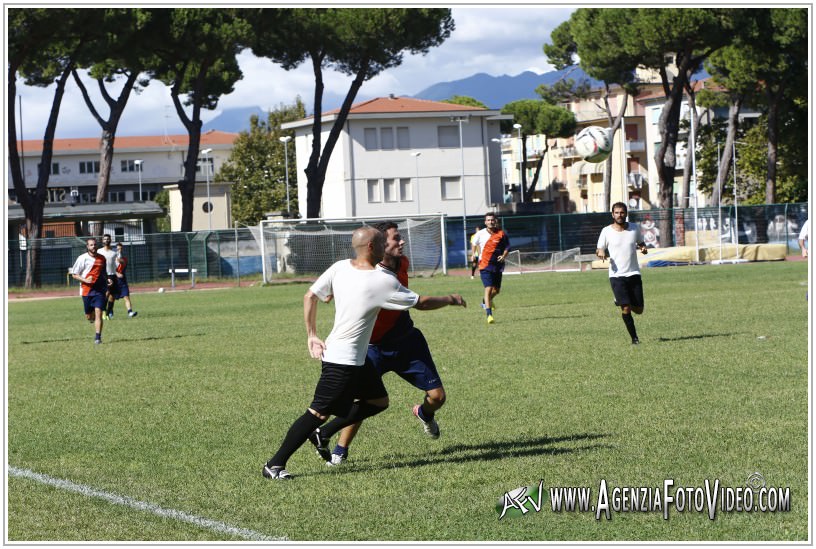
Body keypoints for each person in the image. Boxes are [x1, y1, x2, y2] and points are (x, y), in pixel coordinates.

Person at [262, 226, 466, 480]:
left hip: (357, 358)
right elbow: (421, 303)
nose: (385, 246)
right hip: (342, 361)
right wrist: (450, 298)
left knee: (379, 401)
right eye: (382, 242)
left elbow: (310, 296)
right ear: (371, 247)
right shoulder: (382, 280)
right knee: (317, 413)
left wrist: (311, 334)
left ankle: (322, 435)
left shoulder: (340, 267)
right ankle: (275, 464)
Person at [596, 202, 648, 345]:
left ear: (626, 214)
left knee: (639, 310)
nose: (620, 215)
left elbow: (641, 243)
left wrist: (643, 248)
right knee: (626, 307)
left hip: (634, 273)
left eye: (622, 212)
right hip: (616, 275)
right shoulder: (606, 231)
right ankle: (635, 339)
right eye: (617, 213)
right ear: (612, 214)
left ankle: (620, 299)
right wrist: (600, 252)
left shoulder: (634, 229)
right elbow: (599, 248)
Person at [472, 212, 510, 324]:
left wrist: (503, 256)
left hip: (498, 266)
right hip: (485, 265)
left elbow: (507, 247)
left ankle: (485, 300)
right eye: (488, 220)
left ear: (495, 221)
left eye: (492, 220)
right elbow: (474, 243)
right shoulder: (480, 234)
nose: (490, 222)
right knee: (488, 288)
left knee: (496, 290)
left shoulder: (501, 234)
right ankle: (489, 315)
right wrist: (473, 254)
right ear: (485, 222)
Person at [70, 237, 108, 345]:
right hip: (86, 291)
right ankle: (91, 318)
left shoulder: (102, 258)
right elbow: (74, 275)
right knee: (89, 316)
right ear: (87, 247)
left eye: (95, 244)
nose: (94, 246)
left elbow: (104, 272)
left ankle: (98, 337)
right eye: (91, 245)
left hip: (99, 290)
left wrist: (108, 279)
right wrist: (85, 280)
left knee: (99, 312)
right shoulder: (82, 258)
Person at [114, 242, 138, 317]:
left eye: (121, 248)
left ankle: (130, 312)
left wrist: (118, 258)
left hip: (122, 281)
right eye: (118, 248)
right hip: (114, 281)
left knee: (126, 297)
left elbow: (122, 262)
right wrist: (116, 273)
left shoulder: (124, 258)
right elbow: (110, 269)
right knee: (111, 298)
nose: (119, 250)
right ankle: (109, 312)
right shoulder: (111, 259)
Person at [98, 234, 118, 320]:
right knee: (106, 294)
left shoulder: (114, 252)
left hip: (113, 275)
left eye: (108, 239)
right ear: (102, 241)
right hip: (104, 275)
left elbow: (117, 264)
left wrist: (118, 272)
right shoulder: (99, 251)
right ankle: (103, 312)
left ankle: (108, 313)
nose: (106, 240)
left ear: (110, 240)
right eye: (105, 239)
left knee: (112, 297)